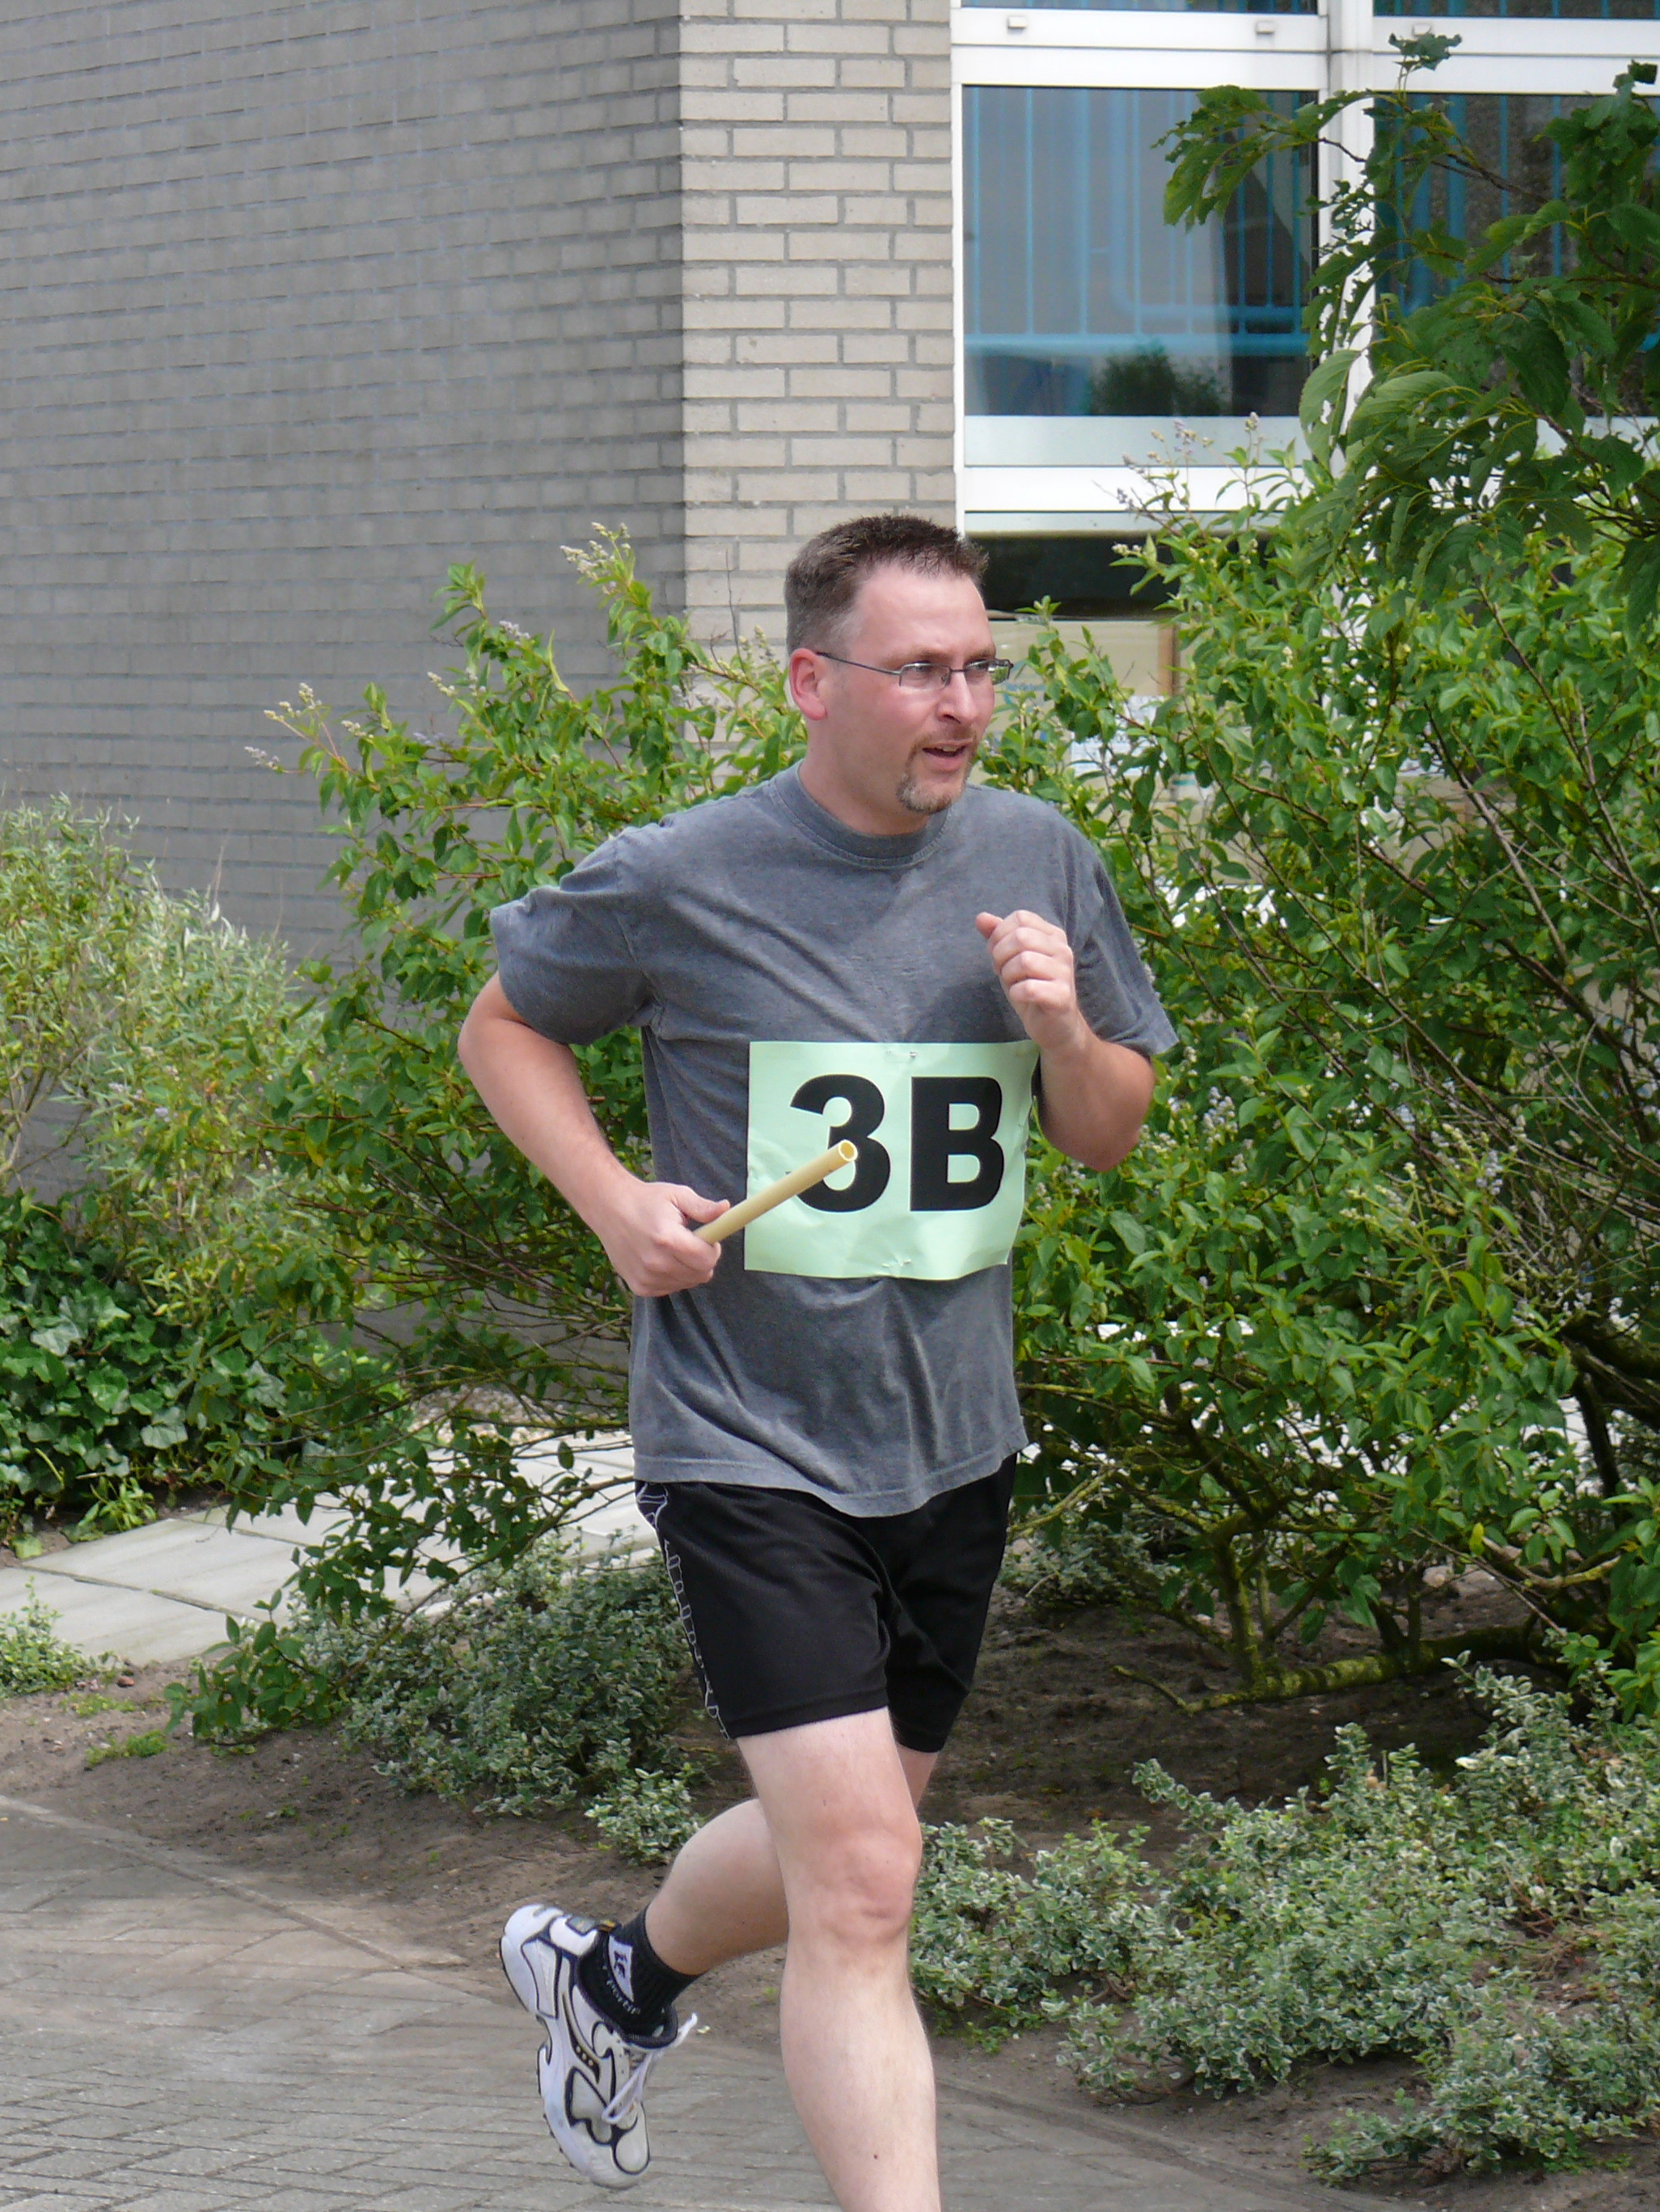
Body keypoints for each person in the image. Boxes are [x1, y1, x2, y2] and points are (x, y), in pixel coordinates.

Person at [458, 513, 1175, 2208]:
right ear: (812, 681)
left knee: (852, 1847)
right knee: (863, 1882)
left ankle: (614, 1983)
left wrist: (1063, 1026)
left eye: (982, 668)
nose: (964, 704)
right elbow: (505, 1024)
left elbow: (1109, 1131)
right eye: (921, 671)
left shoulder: (1038, 854)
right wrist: (614, 1201)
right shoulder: (685, 874)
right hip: (748, 1438)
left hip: (951, 1439)